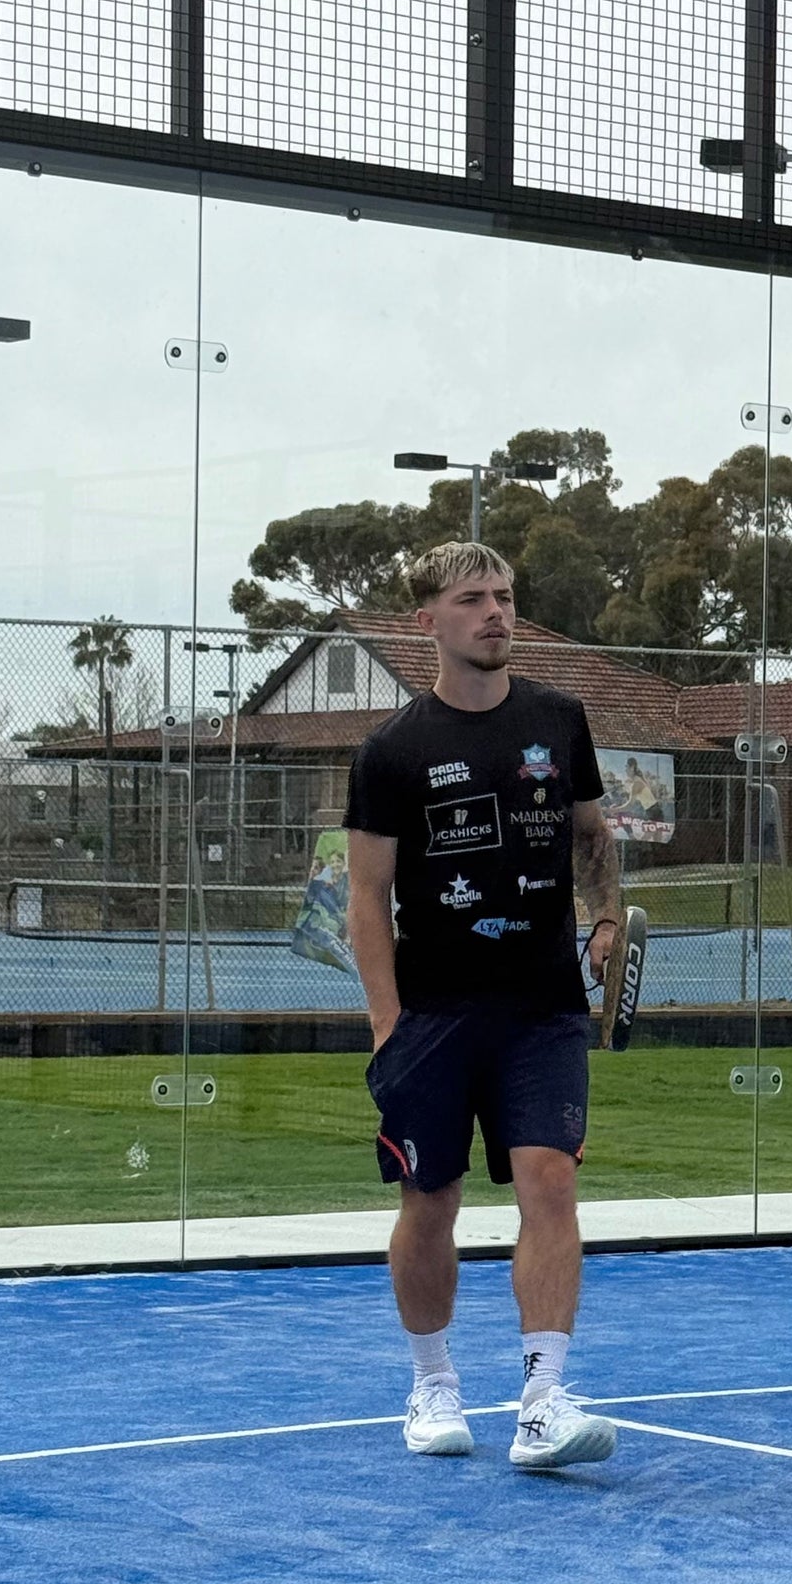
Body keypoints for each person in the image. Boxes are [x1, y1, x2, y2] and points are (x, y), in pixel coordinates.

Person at [345, 541, 622, 1471]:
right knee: (432, 1202)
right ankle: (432, 1384)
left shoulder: (559, 719)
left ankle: (542, 1403)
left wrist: (606, 916)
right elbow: (365, 901)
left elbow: (592, 836)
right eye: (473, 598)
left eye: (504, 595)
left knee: (551, 1183)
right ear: (428, 620)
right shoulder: (391, 751)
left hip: (543, 1007)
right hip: (431, 1015)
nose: (496, 612)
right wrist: (387, 1024)